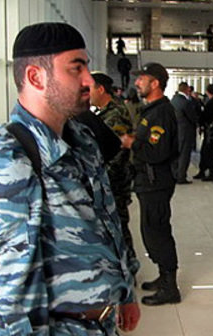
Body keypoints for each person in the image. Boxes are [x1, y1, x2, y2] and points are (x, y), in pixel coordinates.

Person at [0, 22, 140, 335]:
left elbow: (107, 223)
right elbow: (1, 301)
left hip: (100, 324)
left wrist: (125, 291)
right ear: (35, 77)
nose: (88, 80)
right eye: (76, 68)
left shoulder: (81, 140)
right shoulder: (6, 160)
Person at [121, 62, 181, 305]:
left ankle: (170, 288)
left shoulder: (161, 113)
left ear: (155, 83)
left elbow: (157, 153)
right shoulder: (151, 110)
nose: (137, 82)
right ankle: (163, 277)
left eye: (141, 78)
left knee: (158, 232)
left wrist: (131, 144)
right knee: (151, 231)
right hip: (147, 180)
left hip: (156, 182)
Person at [89, 72, 140, 275]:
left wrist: (104, 176)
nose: (88, 93)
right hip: (110, 177)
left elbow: (118, 150)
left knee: (118, 222)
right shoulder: (103, 112)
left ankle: (130, 265)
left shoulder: (115, 113)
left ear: (101, 89)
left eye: (91, 89)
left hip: (115, 179)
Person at [171, 82, 199, 184]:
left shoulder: (173, 100)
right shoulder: (185, 102)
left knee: (176, 154)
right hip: (186, 132)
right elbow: (192, 117)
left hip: (176, 131)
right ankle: (181, 176)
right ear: (186, 89)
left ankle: (175, 174)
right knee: (184, 155)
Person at [194, 84, 213, 181]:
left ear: (207, 91)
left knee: (209, 151)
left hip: (211, 130)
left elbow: (205, 115)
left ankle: (211, 173)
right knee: (205, 151)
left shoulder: (212, 103)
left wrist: (200, 122)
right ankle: (203, 170)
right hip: (212, 130)